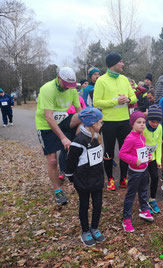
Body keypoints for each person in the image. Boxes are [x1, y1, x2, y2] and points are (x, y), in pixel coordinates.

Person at [35, 67, 82, 205]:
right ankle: (57, 190)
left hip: (63, 120)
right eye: (66, 85)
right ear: (59, 78)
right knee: (52, 161)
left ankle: (77, 176)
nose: (68, 88)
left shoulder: (72, 89)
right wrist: (63, 137)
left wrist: (80, 130)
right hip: (46, 125)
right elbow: (49, 117)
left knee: (84, 117)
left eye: (71, 86)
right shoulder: (47, 89)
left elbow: (80, 112)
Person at [93, 53, 137, 191]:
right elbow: (96, 102)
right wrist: (115, 102)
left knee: (125, 150)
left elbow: (134, 97)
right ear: (113, 64)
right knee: (109, 151)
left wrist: (128, 100)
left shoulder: (124, 79)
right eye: (120, 62)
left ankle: (123, 178)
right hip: (109, 122)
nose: (123, 64)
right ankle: (110, 179)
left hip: (124, 121)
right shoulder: (102, 80)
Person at [65, 107, 105, 246]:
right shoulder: (79, 141)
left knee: (98, 204)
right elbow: (70, 161)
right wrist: (71, 176)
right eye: (101, 122)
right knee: (84, 205)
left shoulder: (97, 137)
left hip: (97, 179)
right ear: (93, 123)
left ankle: (94, 227)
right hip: (83, 180)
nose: (102, 124)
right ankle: (85, 231)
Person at [119, 111, 154, 232]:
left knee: (143, 190)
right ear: (132, 124)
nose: (142, 125)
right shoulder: (130, 138)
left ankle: (144, 210)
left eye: (144, 122)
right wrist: (135, 160)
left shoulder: (142, 136)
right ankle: (126, 219)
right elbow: (122, 154)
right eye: (139, 122)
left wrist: (148, 155)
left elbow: (142, 150)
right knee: (131, 194)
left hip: (144, 169)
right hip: (134, 172)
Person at [143, 105, 163, 214]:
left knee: (155, 177)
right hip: (143, 158)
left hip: (153, 158)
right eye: (152, 121)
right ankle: (143, 200)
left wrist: (158, 160)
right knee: (144, 179)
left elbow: (158, 144)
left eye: (157, 122)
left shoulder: (159, 128)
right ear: (148, 119)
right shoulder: (143, 128)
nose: (155, 124)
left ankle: (152, 199)